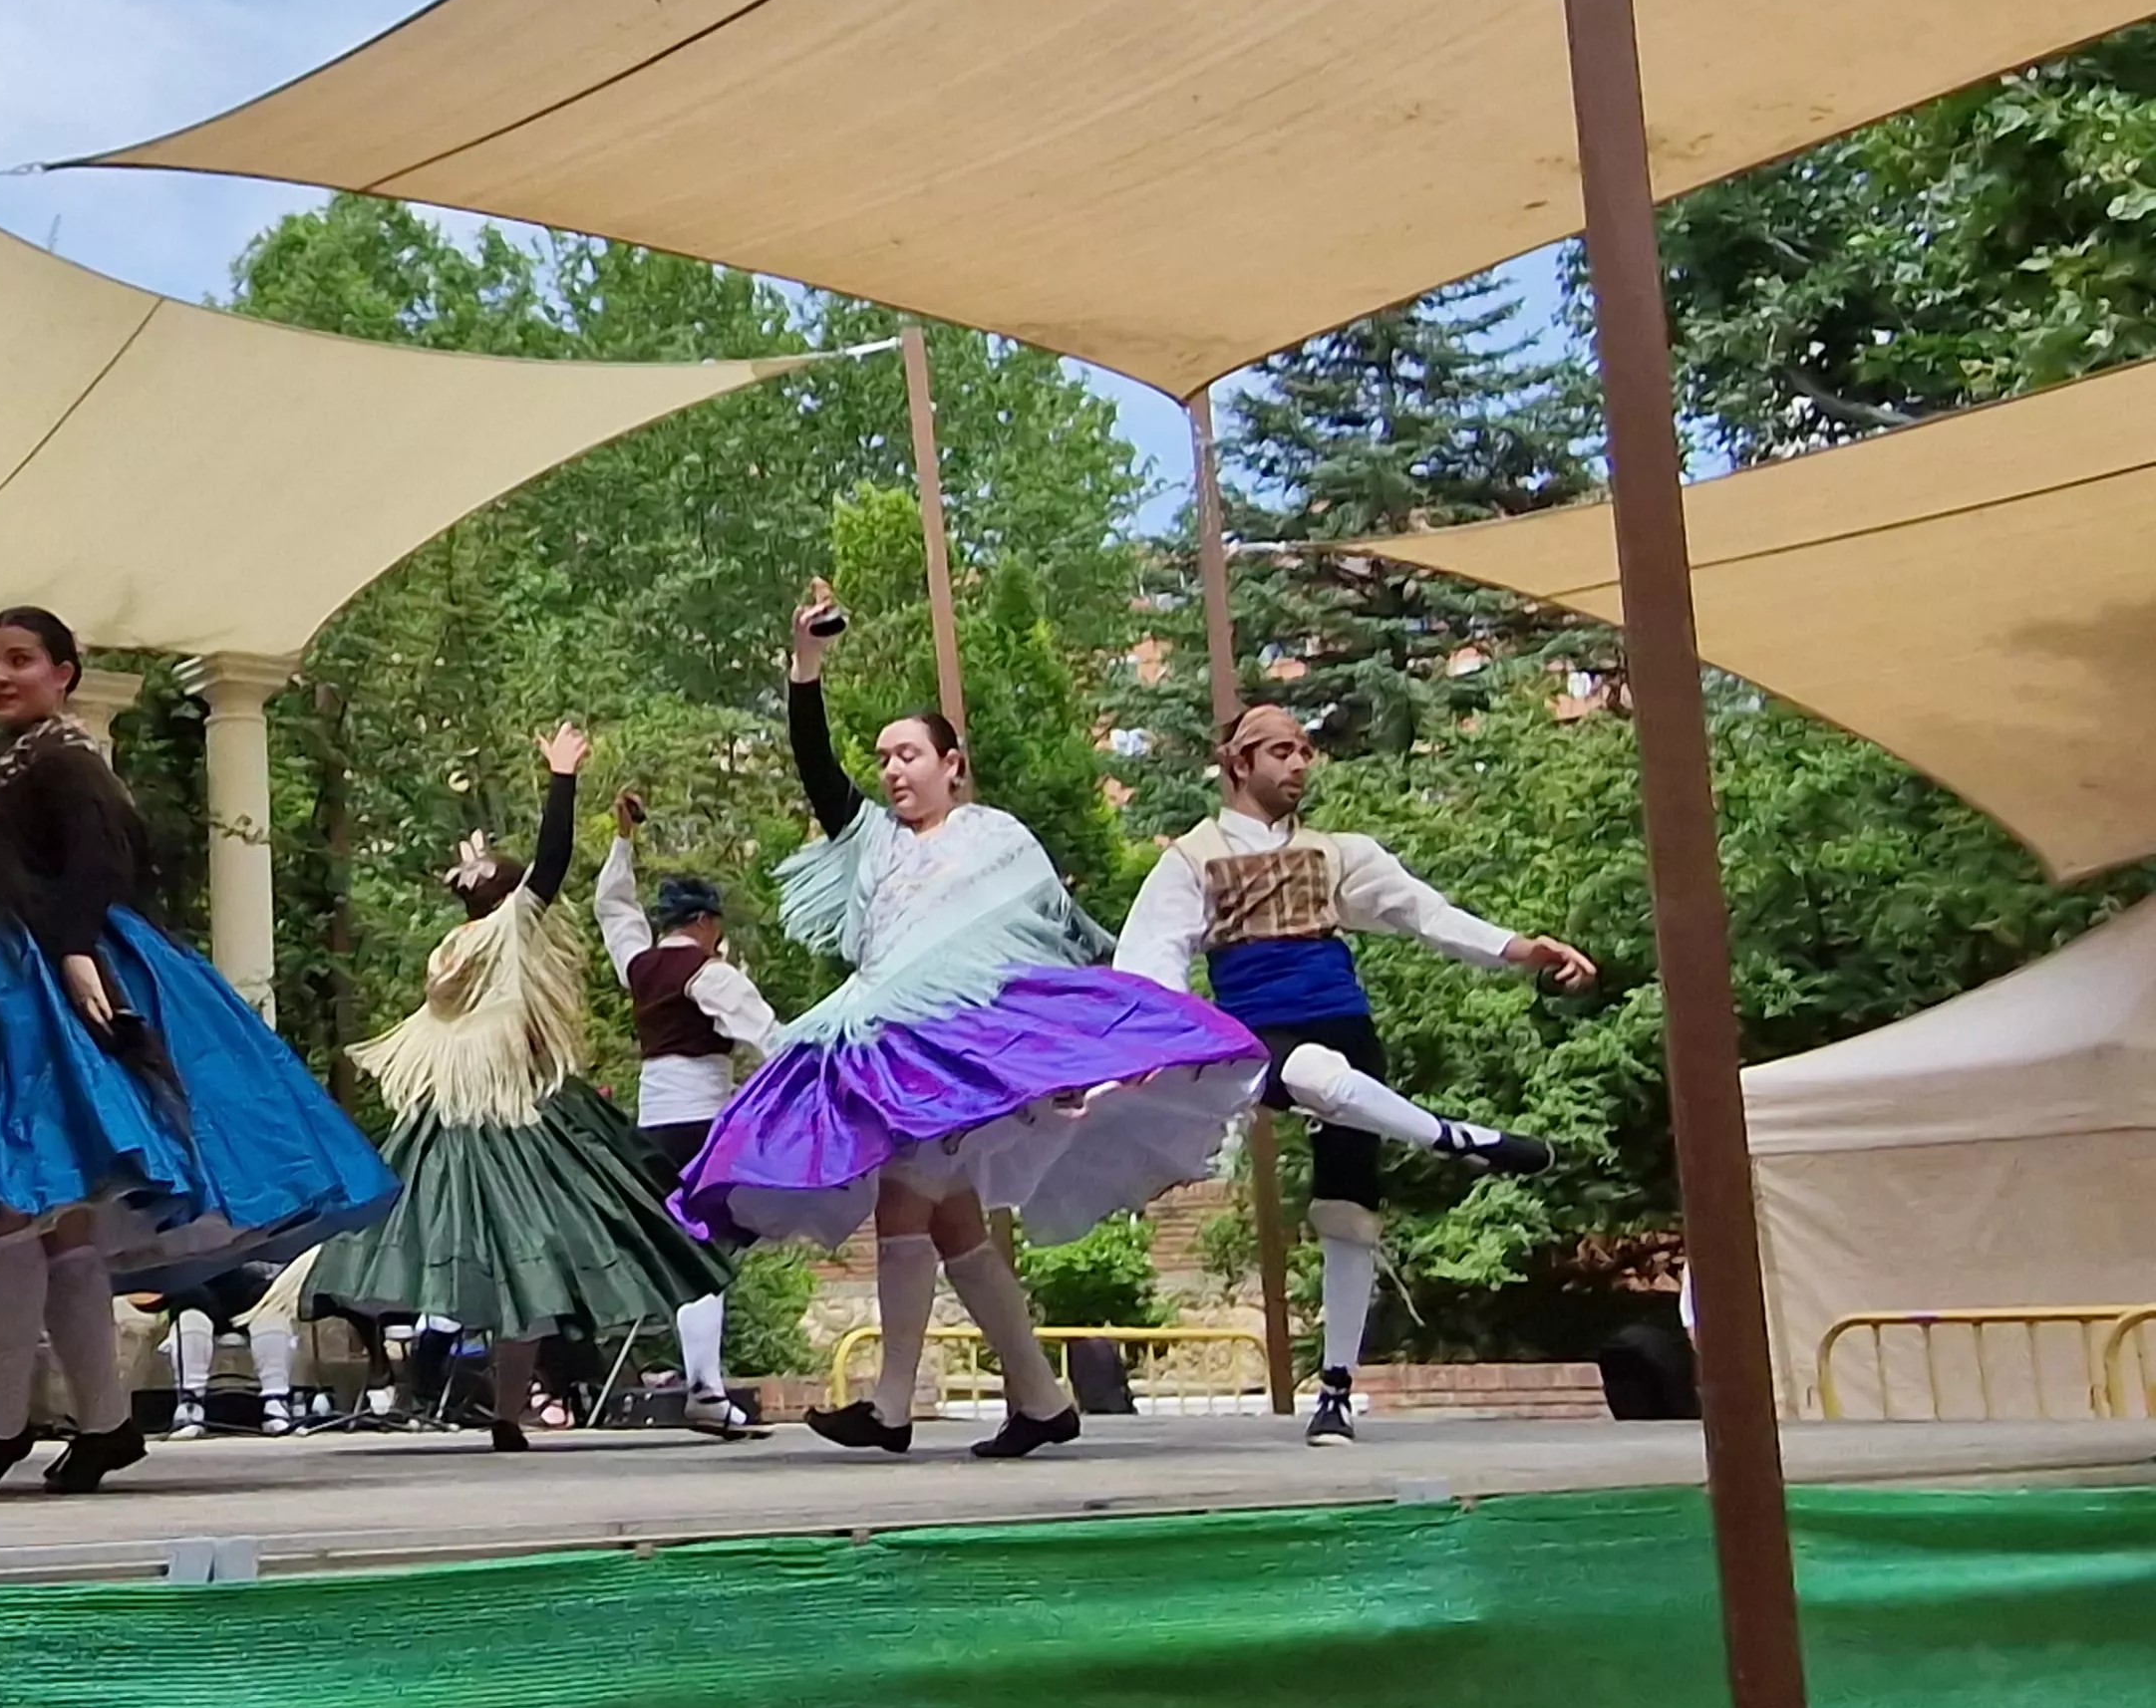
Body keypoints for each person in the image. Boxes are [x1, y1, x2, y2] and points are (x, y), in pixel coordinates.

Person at [675, 582, 1265, 1461]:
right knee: (948, 1221)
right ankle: (1037, 1396)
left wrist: (1082, 1057)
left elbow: (1057, 950)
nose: (892, 769)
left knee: (906, 1198)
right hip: (890, 1045)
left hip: (964, 1056)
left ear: (952, 764)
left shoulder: (1000, 841)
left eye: (909, 753)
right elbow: (813, 763)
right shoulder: (873, 843)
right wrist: (807, 665)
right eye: (883, 758)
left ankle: (889, 1407)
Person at [0, 605, 397, 1499]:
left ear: (64, 671)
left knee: (18, 1203)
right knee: (53, 1214)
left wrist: (78, 949)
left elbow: (97, 862)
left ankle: (5, 1423)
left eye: (19, 661)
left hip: (35, 980)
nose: (0, 676)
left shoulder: (64, 758)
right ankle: (101, 1422)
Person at [1113, 703, 1594, 1445]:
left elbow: (1427, 914)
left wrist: (1521, 949)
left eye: (1305, 750)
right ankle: (1456, 1138)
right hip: (1259, 1035)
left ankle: (1335, 1389)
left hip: (1345, 1020)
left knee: (1348, 1209)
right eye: (1280, 751)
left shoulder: (1341, 853)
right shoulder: (1192, 858)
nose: (1299, 764)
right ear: (1238, 763)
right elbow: (1150, 959)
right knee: (1313, 1076)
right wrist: (1152, 1045)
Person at [311, 724, 737, 1454]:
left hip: (456, 1116)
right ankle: (501, 1405)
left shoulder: (455, 949)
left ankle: (491, 1401)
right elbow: (555, 859)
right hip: (513, 1114)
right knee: (527, 1262)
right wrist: (562, 778)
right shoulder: (506, 934)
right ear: (514, 903)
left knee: (481, 1255)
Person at [597, 789, 782, 1432]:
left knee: (688, 1249)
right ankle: (705, 1388)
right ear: (706, 922)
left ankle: (704, 1385)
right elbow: (766, 1032)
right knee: (713, 1251)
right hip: (705, 1120)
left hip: (653, 1122)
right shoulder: (709, 972)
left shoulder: (642, 966)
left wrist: (622, 842)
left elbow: (613, 910)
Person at [140, 1250, 318, 1439]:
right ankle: (190, 1406)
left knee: (273, 1317)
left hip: (256, 1289)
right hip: (199, 1290)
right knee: (189, 1317)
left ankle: (276, 1403)